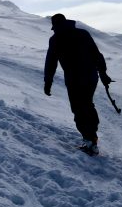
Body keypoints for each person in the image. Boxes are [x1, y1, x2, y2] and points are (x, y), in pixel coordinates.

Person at [44, 13, 112, 154]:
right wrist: (103, 73)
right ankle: (92, 137)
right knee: (87, 105)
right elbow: (96, 55)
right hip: (90, 77)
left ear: (56, 26)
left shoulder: (56, 39)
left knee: (79, 108)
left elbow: (51, 62)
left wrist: (48, 81)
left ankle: (90, 140)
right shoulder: (82, 34)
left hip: (75, 79)